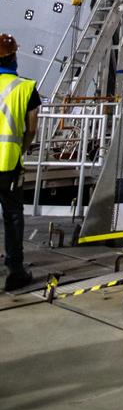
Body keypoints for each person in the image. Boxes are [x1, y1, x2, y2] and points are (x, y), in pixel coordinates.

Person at [0, 33, 40, 291]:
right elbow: (32, 129)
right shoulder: (25, 87)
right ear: (14, 56)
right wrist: (21, 150)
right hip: (8, 164)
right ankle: (15, 271)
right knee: (13, 216)